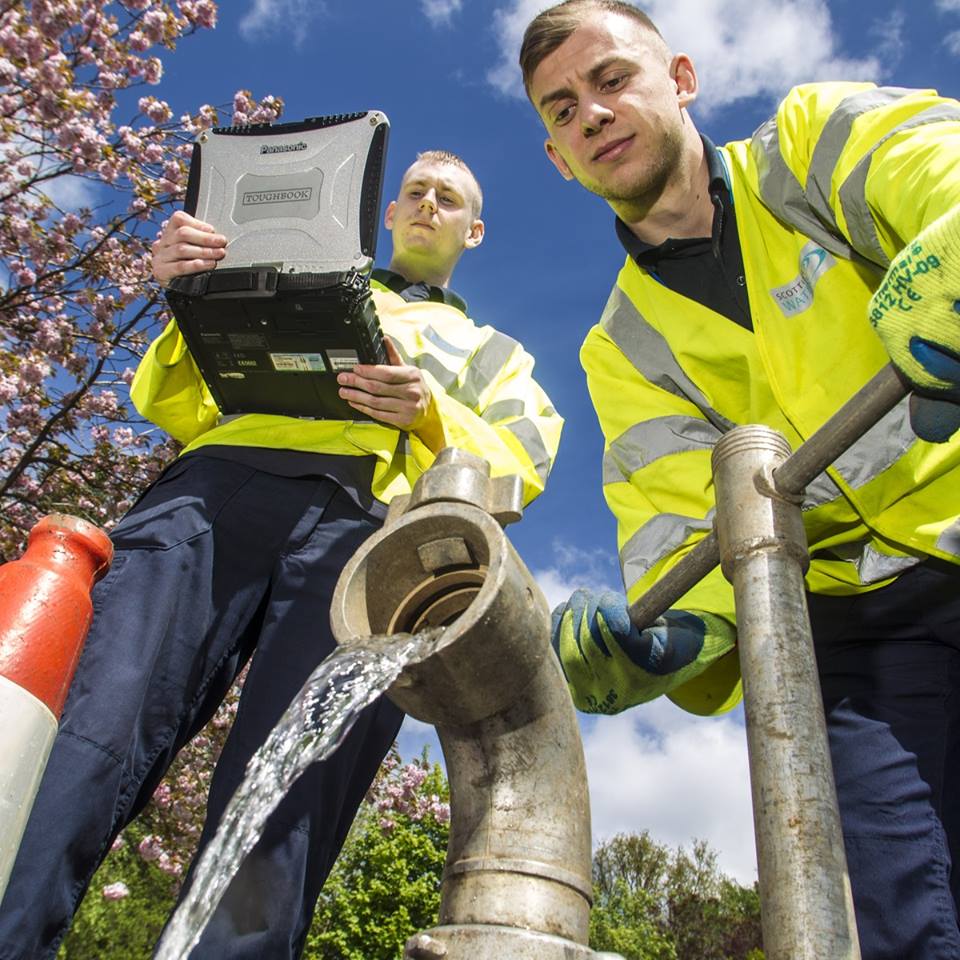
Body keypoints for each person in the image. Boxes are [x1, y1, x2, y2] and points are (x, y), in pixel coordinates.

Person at [0, 149, 562, 959]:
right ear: (389, 216)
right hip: (219, 485)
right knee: (98, 710)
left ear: (473, 231)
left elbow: (525, 457)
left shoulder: (494, 354)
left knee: (294, 782)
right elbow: (170, 400)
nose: (428, 203)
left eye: (449, 198)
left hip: (371, 523)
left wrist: (430, 413)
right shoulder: (288, 276)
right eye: (415, 192)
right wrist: (186, 295)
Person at [519, 2, 960, 958]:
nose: (589, 115)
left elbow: (937, 164)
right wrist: (675, 637)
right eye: (560, 111)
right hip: (850, 632)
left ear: (680, 79)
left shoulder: (806, 150)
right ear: (558, 159)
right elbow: (682, 515)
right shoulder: (621, 348)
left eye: (611, 80)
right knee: (909, 918)